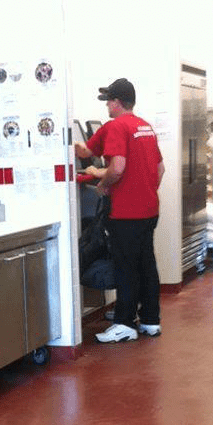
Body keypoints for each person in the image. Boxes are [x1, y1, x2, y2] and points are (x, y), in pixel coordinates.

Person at [74, 78, 164, 343]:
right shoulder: (144, 127)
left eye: (109, 101)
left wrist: (102, 184)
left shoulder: (116, 127)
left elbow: (117, 168)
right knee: (146, 263)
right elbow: (160, 169)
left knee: (126, 267)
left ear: (116, 102)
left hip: (126, 213)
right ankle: (150, 320)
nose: (107, 106)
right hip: (149, 209)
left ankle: (124, 322)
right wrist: (144, 188)